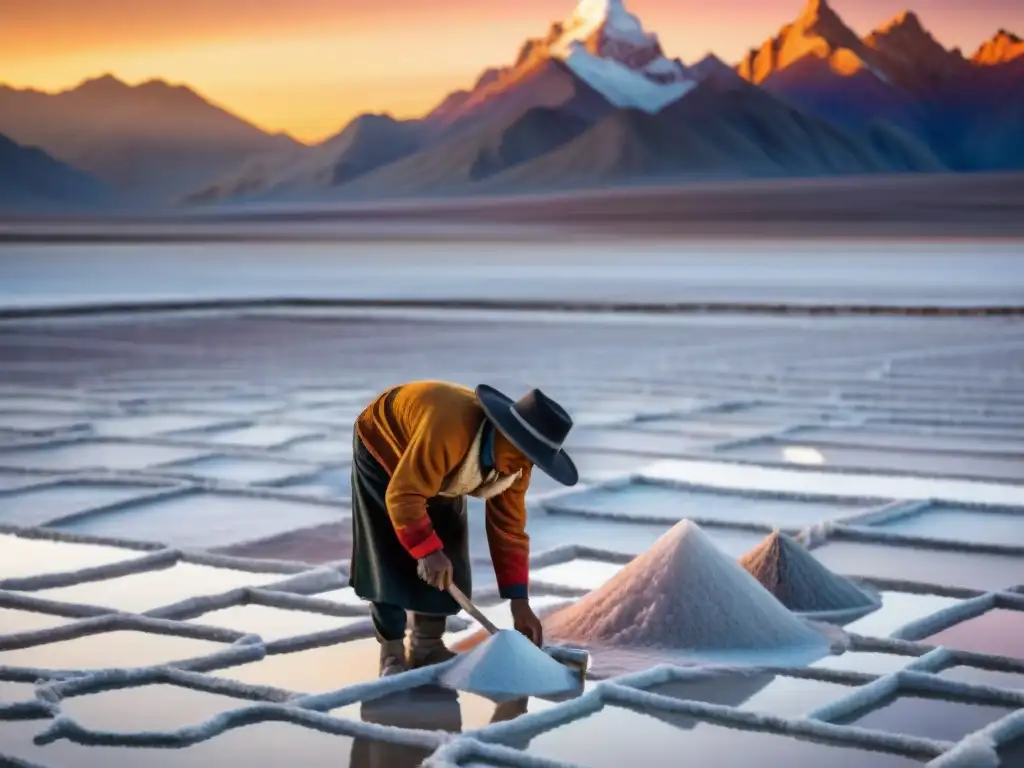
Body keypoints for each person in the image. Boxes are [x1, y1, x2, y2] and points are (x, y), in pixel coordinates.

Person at [349, 380, 579, 677]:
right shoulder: (449, 435)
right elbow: (403, 495)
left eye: (531, 459)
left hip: (436, 460)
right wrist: (427, 551)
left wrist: (519, 603)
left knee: (450, 542)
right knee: (387, 548)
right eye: (520, 451)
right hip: (385, 442)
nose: (521, 465)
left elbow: (508, 530)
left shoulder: (517, 465)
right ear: (501, 430)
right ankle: (392, 651)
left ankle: (427, 645)